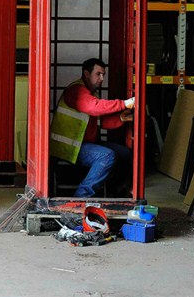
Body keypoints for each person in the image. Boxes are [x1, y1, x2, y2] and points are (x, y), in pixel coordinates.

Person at [50, 58, 135, 198]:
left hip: (83, 143)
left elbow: (100, 121)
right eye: (98, 74)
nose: (101, 78)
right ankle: (81, 197)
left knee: (125, 153)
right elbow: (95, 107)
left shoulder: (91, 94)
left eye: (103, 75)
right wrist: (125, 104)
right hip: (68, 147)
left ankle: (118, 191)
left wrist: (121, 118)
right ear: (86, 73)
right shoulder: (76, 90)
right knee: (107, 155)